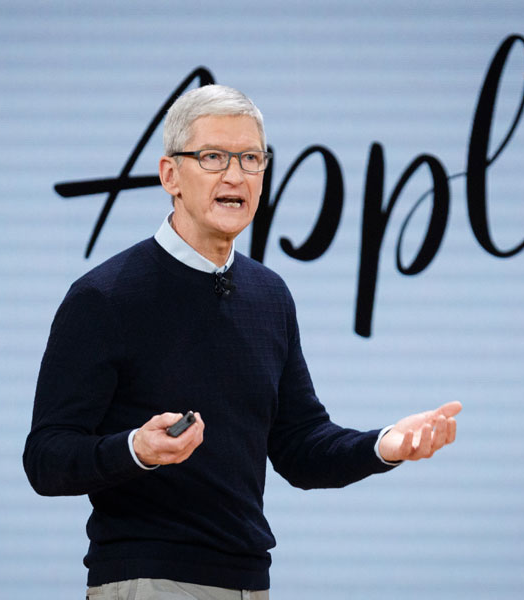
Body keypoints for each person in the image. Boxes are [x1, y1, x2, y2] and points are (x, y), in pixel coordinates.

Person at [23, 84, 461, 600]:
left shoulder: (269, 295)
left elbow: (300, 447)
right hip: (148, 578)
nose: (235, 175)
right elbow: (46, 458)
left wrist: (381, 445)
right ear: (171, 176)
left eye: (250, 158)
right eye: (212, 157)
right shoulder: (106, 296)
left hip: (251, 583)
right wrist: (136, 449)